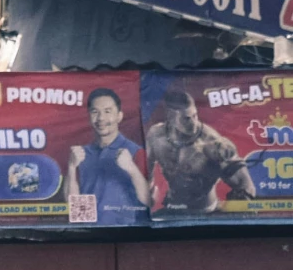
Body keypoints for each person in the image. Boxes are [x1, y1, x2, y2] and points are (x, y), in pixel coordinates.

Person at [147, 85, 255, 214]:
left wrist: (241, 208)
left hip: (206, 214)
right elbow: (147, 168)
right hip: (172, 208)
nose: (193, 123)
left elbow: (245, 184)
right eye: (186, 119)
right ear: (170, 117)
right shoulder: (156, 135)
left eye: (195, 116)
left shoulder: (211, 143)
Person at [66, 87, 150, 224]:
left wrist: (132, 169)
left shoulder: (136, 152)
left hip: (127, 235)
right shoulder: (80, 155)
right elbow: (75, 209)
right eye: (95, 112)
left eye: (107, 111)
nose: (101, 118)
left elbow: (150, 201)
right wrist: (71, 167)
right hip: (89, 234)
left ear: (119, 116)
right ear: (89, 116)